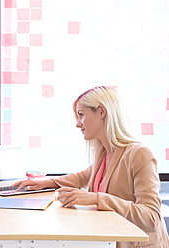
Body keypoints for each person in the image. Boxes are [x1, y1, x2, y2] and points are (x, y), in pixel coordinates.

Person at [13, 86, 169, 248]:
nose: (77, 124)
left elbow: (151, 218)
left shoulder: (139, 154)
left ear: (102, 112)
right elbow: (82, 177)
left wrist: (96, 198)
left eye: (81, 115)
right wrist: (46, 182)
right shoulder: (105, 152)